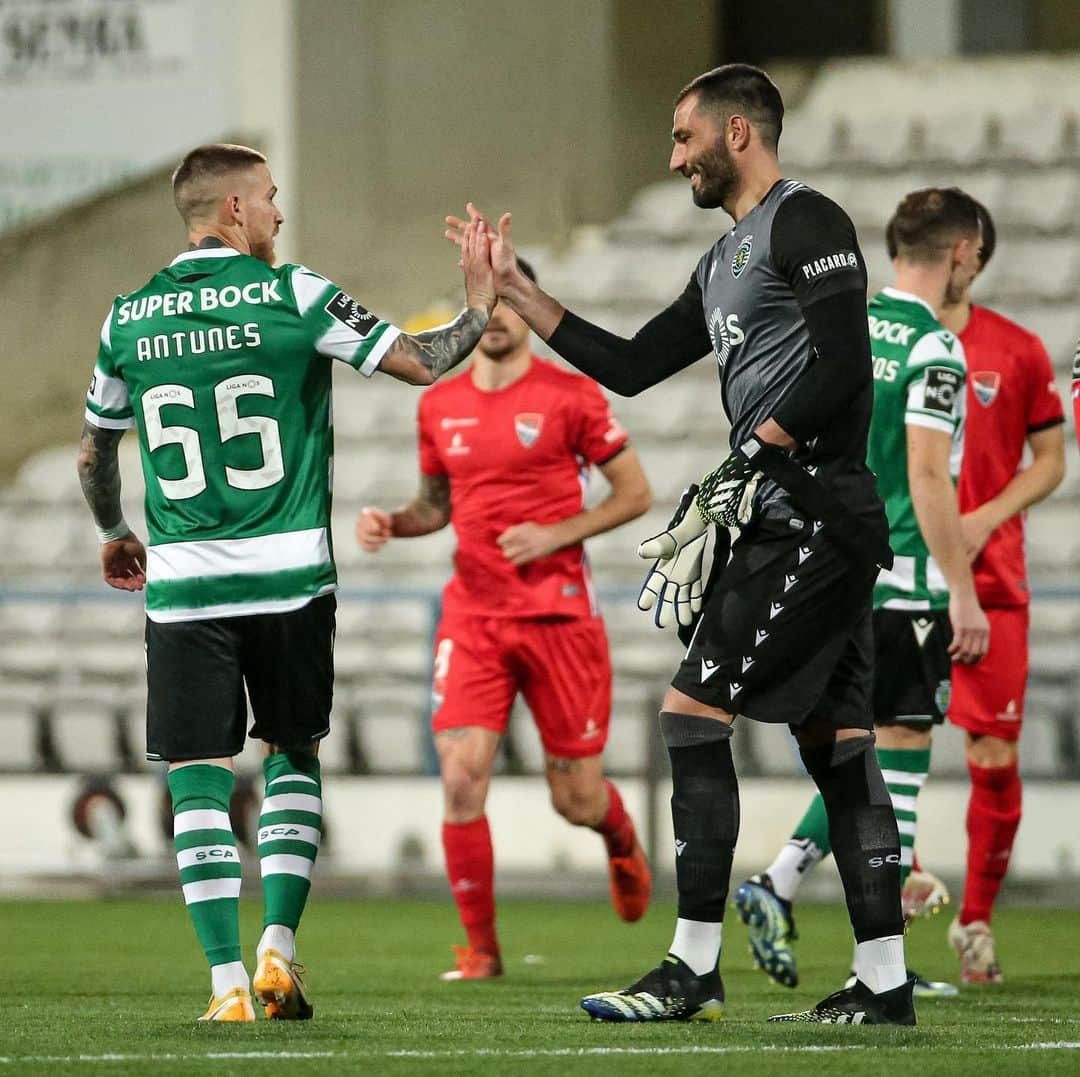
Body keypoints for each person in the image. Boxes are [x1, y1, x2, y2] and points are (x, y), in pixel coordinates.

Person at [450, 64, 915, 1025]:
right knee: (840, 744)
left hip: (812, 512)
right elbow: (627, 364)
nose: (674, 158)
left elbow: (846, 365)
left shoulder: (807, 220)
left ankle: (692, 968)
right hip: (802, 510)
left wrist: (758, 449)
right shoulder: (720, 262)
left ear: (737, 131)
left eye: (683, 137)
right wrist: (514, 294)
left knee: (690, 716)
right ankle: (882, 984)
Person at [76, 143, 495, 1022]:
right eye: (269, 199)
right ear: (232, 210)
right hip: (291, 576)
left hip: (185, 585)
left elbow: (94, 451)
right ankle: (280, 949)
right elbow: (421, 362)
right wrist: (481, 303)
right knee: (291, 752)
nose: (278, 213)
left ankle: (225, 984)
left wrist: (117, 531)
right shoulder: (295, 293)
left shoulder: (127, 317)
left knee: (197, 772)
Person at [355, 259, 654, 981]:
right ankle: (481, 950)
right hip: (475, 616)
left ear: (529, 307)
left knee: (574, 798)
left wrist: (556, 534)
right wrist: (393, 523)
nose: (498, 314)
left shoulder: (572, 396)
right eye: (485, 300)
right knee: (461, 779)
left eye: (510, 300)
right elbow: (437, 507)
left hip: (559, 618)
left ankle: (616, 833)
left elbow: (637, 494)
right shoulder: (438, 405)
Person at [734, 187, 992, 998]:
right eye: (976, 261)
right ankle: (864, 950)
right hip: (904, 573)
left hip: (832, 567)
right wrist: (964, 589)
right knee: (899, 764)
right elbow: (926, 477)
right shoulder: (934, 350)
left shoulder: (836, 324)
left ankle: (795, 890)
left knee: (857, 755)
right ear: (960, 255)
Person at [937, 204, 1065, 983]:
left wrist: (985, 516)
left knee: (992, 755)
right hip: (897, 575)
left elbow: (1050, 459)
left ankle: (977, 917)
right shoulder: (874, 341)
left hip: (993, 580)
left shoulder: (1017, 349)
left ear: (974, 256)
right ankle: (885, 910)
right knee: (874, 748)